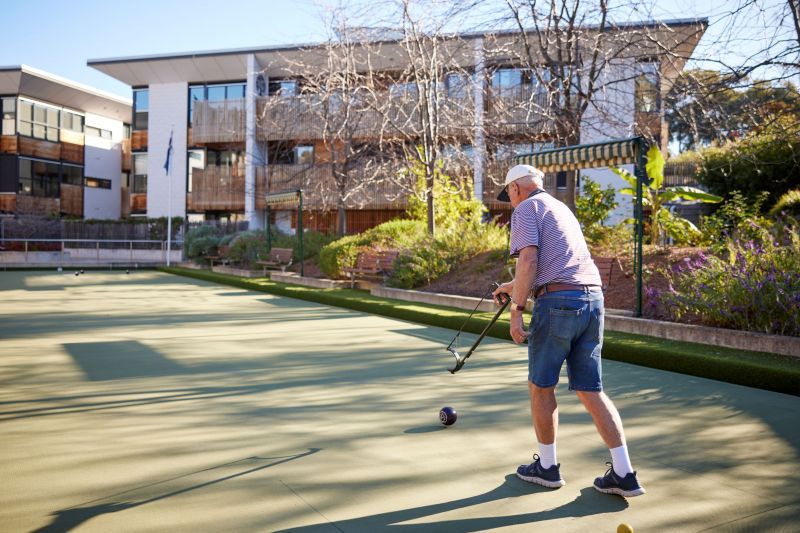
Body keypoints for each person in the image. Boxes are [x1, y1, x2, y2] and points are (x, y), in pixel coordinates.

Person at [492, 164, 645, 498]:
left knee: (541, 386)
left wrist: (516, 311)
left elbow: (529, 261)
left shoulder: (525, 209)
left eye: (509, 194)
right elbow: (555, 265)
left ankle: (547, 468)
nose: (511, 200)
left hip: (558, 304)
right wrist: (511, 287)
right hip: (592, 302)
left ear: (516, 188)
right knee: (591, 389)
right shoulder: (560, 209)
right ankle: (624, 473)